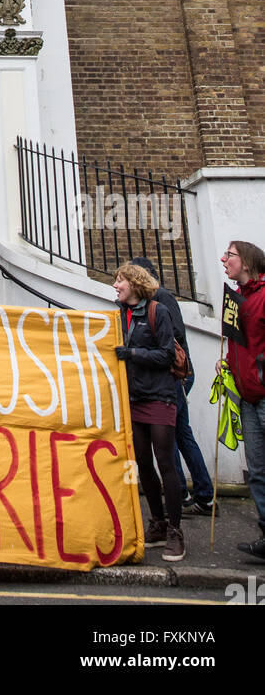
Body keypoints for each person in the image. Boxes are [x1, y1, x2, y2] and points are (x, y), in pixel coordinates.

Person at [130, 256, 215, 518]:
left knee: (174, 434)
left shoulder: (161, 298)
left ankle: (190, 493)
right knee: (179, 433)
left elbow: (174, 336)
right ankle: (199, 495)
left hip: (174, 375)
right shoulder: (152, 299)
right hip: (170, 374)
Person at [113, 260, 185, 562]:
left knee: (165, 461)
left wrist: (133, 353)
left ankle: (175, 532)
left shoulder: (159, 312)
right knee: (143, 462)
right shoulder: (119, 315)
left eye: (120, 281)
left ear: (134, 284)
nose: (115, 285)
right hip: (134, 397)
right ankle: (156, 522)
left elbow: (167, 354)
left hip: (160, 395)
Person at [221, 240, 265, 563]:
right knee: (258, 471)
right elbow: (237, 342)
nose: (224, 259)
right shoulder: (235, 300)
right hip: (247, 398)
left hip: (263, 393)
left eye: (230, 255)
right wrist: (228, 363)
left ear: (247, 263)